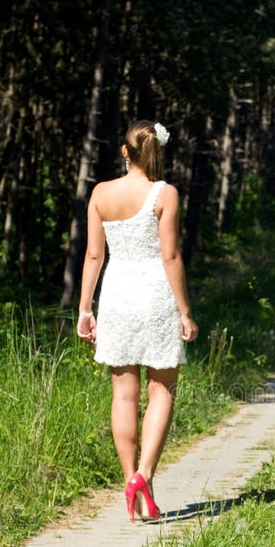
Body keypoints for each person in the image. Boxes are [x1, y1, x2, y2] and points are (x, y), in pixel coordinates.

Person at [77, 119, 198, 522]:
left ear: (125, 153)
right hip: (156, 296)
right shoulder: (165, 193)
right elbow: (170, 257)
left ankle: (130, 479)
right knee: (161, 392)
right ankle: (146, 475)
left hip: (116, 296)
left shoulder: (101, 193)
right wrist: (184, 312)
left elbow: (94, 256)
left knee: (123, 396)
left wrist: (85, 309)